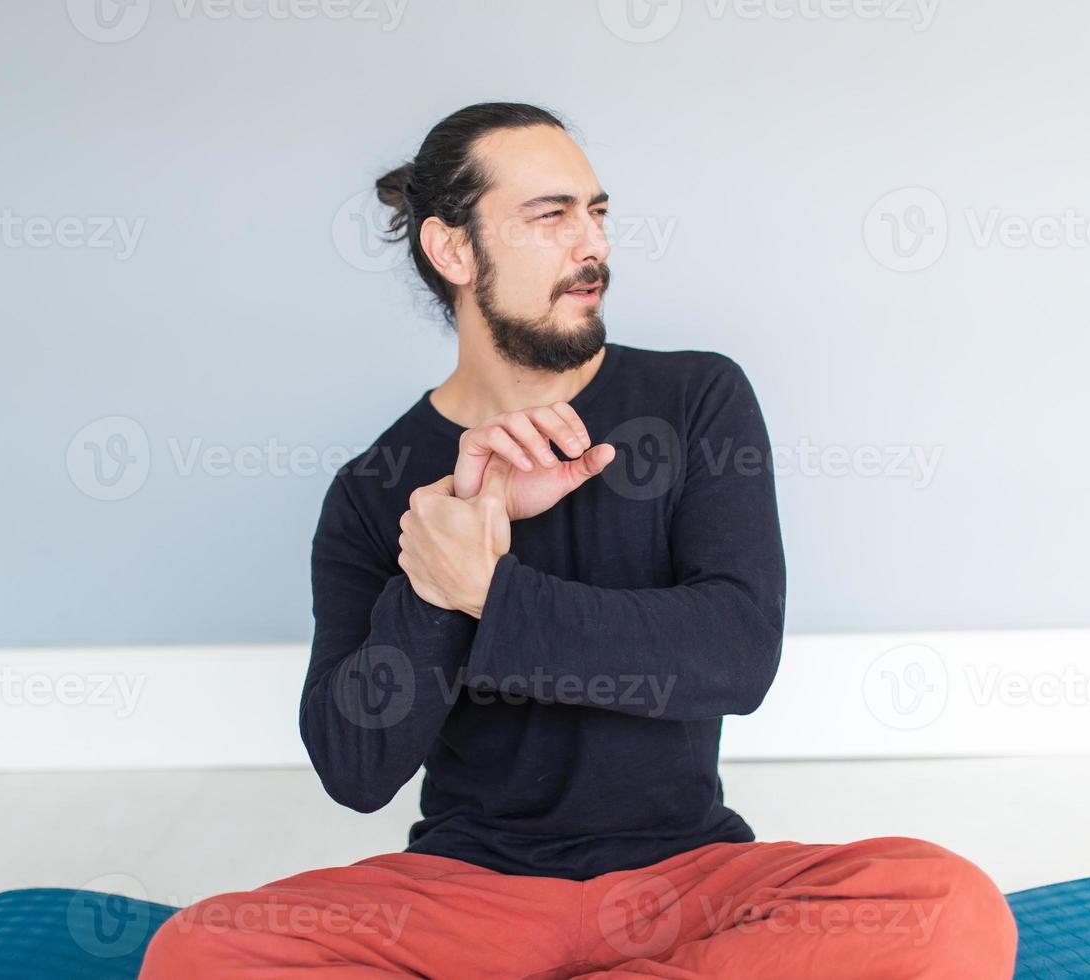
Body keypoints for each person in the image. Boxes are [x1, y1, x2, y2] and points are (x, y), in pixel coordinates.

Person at [139, 102, 1017, 979]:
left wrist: (491, 590)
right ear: (453, 250)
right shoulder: (378, 490)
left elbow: (736, 654)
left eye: (596, 212)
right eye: (549, 216)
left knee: (947, 907)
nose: (590, 245)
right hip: (469, 899)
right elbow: (353, 767)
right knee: (199, 953)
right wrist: (438, 575)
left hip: (689, 883)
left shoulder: (697, 399)